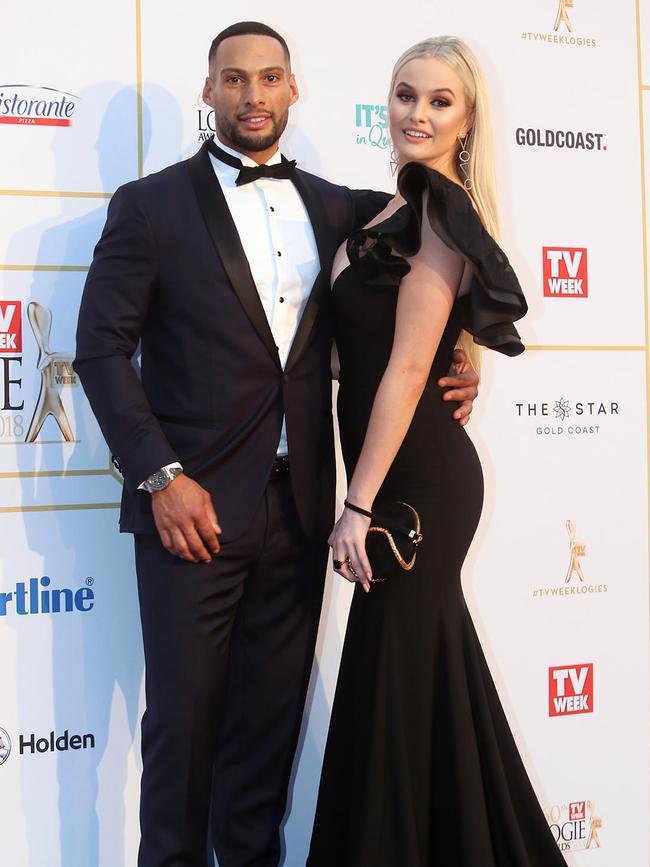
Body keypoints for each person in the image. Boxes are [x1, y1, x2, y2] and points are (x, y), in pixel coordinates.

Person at [74, 22, 479, 867]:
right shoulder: (148, 208)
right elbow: (101, 351)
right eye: (233, 79)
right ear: (207, 92)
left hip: (300, 514)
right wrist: (160, 476)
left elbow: (438, 260)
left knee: (266, 742)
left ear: (294, 89)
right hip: (193, 512)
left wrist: (462, 348)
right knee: (181, 736)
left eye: (268, 79)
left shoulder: (339, 207)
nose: (252, 96)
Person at [307, 36, 567, 867]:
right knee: (418, 675)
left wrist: (358, 504)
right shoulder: (384, 209)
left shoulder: (441, 211)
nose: (418, 113)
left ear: (467, 117)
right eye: (405, 94)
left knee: (396, 675)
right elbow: (358, 353)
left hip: (414, 484)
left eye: (440, 100)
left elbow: (409, 369)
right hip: (398, 473)